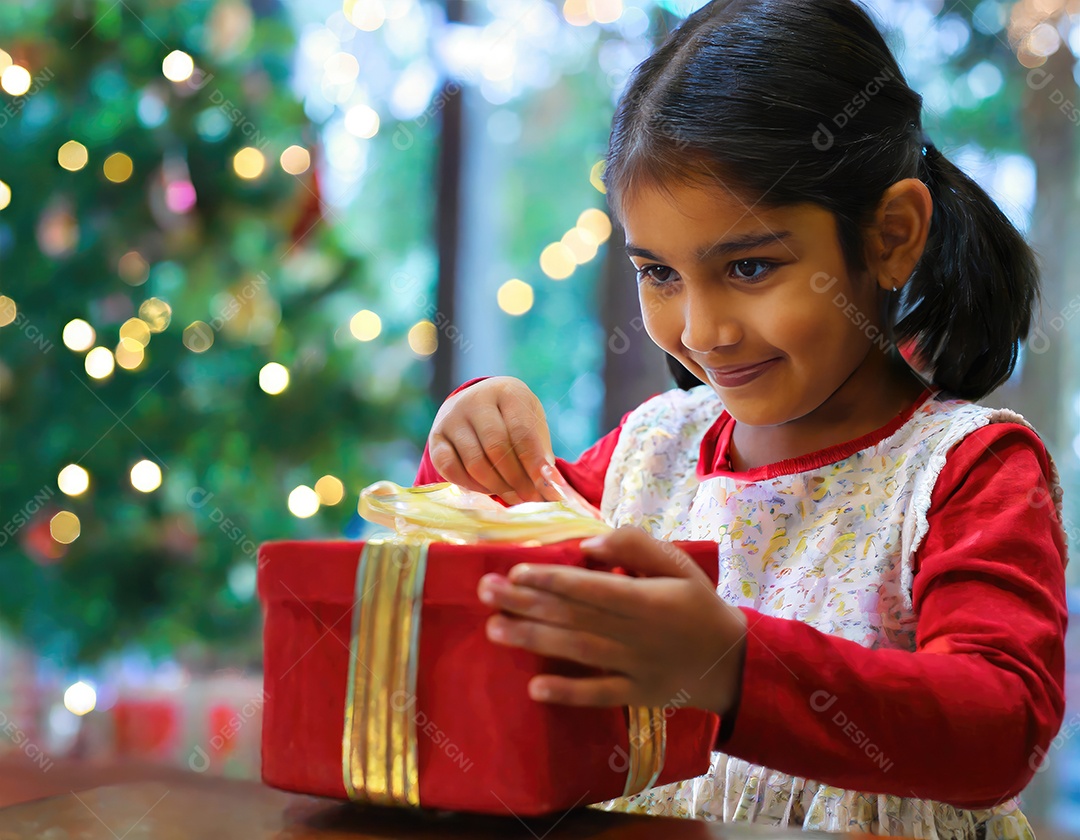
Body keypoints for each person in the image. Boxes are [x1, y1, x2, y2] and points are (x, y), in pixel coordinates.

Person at [414, 0, 1069, 834]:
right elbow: (465, 576)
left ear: (892, 236)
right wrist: (468, 450)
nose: (701, 330)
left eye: (750, 265)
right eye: (658, 274)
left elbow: (998, 725)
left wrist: (729, 667)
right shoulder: (646, 455)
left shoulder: (965, 472)